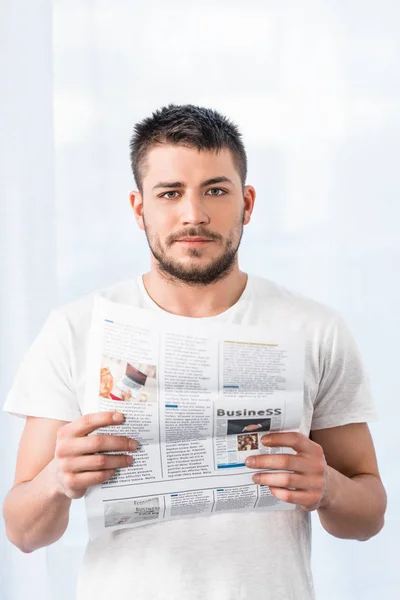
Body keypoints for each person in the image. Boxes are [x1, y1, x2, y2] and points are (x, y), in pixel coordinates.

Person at [2, 104, 387, 600]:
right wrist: (58, 478)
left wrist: (328, 487)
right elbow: (24, 532)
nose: (194, 215)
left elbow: (367, 518)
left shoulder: (314, 329)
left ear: (247, 202)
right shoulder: (76, 329)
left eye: (216, 190)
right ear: (140, 208)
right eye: (170, 193)